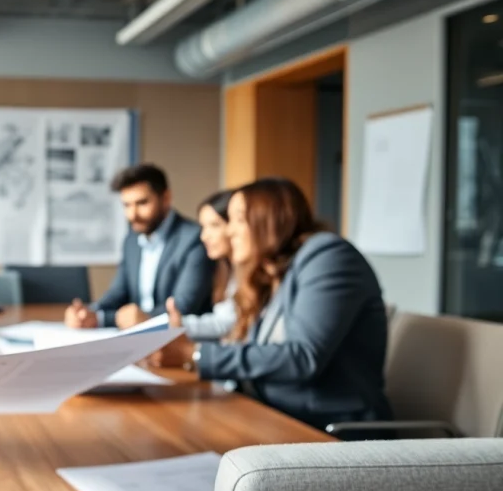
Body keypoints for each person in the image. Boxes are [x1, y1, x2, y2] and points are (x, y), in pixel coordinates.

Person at [154, 178, 392, 434]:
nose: (229, 231)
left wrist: (194, 355)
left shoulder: (329, 256)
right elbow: (257, 350)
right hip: (273, 414)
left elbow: (303, 356)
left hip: (328, 431)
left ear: (269, 219)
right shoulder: (273, 273)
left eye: (237, 219)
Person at [65, 164, 214, 330]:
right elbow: (117, 293)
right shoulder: (131, 240)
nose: (132, 215)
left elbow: (184, 307)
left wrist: (103, 319)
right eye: (127, 205)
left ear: (166, 198)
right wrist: (88, 313)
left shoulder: (194, 239)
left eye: (142, 203)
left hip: (179, 342)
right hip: (137, 339)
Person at [163, 189, 238, 341]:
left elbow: (228, 322)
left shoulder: (245, 272)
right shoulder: (223, 268)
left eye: (214, 226)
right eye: (203, 227)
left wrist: (178, 324)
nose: (204, 236)